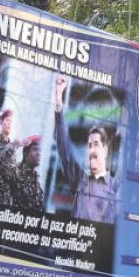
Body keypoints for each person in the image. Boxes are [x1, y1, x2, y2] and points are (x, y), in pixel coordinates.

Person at [53, 76, 120, 223]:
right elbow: (63, 144)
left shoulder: (116, 187)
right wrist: (58, 99)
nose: (91, 150)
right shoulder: (80, 179)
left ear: (105, 150)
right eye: (90, 145)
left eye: (96, 144)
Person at [12, 135, 46, 211]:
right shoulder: (15, 172)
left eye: (39, 150)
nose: (39, 153)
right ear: (26, 154)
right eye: (35, 149)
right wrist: (16, 144)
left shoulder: (36, 180)